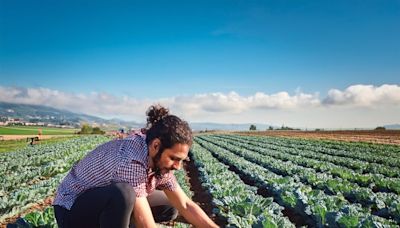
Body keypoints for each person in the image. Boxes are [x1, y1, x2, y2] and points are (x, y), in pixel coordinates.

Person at [53, 105, 218, 228]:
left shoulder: (158, 157)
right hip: (71, 212)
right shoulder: (130, 160)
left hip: (99, 205)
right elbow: (146, 224)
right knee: (124, 194)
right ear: (156, 145)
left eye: (181, 160)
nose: (178, 166)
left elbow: (186, 204)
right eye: (174, 158)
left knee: (169, 205)